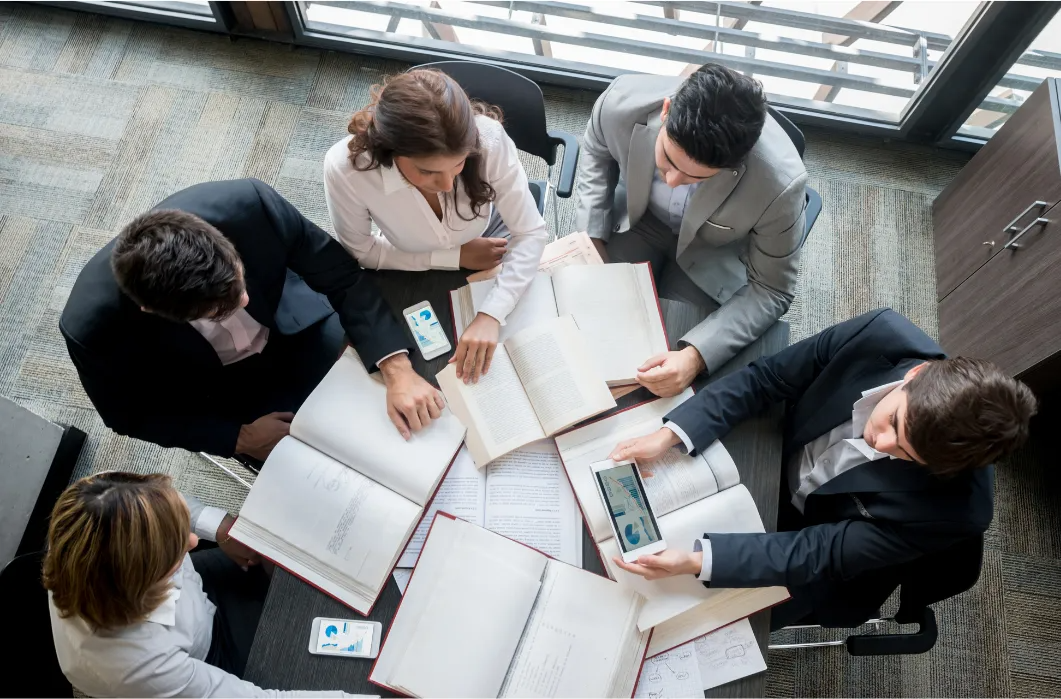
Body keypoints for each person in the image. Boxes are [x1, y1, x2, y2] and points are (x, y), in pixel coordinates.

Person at [606, 309, 1037, 628]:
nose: (881, 443)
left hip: (816, 546)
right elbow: (767, 379)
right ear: (916, 374)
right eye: (894, 422)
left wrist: (698, 560)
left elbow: (820, 552)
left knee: (681, 624)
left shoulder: (957, 513)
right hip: (776, 454)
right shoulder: (880, 336)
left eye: (907, 454)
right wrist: (672, 434)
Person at [60, 179, 444, 462]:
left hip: (296, 325)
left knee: (420, 390)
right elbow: (129, 416)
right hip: (225, 391)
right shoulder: (92, 331)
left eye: (238, 281)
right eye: (220, 310)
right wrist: (238, 438)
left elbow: (341, 275)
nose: (243, 300)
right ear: (152, 310)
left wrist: (396, 368)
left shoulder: (250, 206)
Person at [574, 63, 808, 398]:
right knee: (585, 325)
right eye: (668, 160)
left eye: (695, 177)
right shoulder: (620, 101)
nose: (672, 180)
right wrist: (591, 240)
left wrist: (695, 357)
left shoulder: (781, 184)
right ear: (666, 110)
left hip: (711, 256)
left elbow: (772, 290)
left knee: (663, 371)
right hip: (635, 222)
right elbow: (597, 152)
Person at [323, 68, 549, 384]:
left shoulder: (489, 139)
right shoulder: (347, 169)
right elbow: (362, 252)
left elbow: (530, 232)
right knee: (418, 373)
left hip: (489, 236)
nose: (446, 185)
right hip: (405, 263)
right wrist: (454, 256)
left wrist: (492, 314)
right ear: (390, 150)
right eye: (428, 172)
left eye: (458, 164)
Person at [44, 471, 352, 697]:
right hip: (202, 659)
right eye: (175, 552)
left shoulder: (99, 507)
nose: (193, 541)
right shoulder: (142, 666)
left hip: (197, 598)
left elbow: (165, 502)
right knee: (326, 667)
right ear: (144, 579)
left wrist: (221, 529)